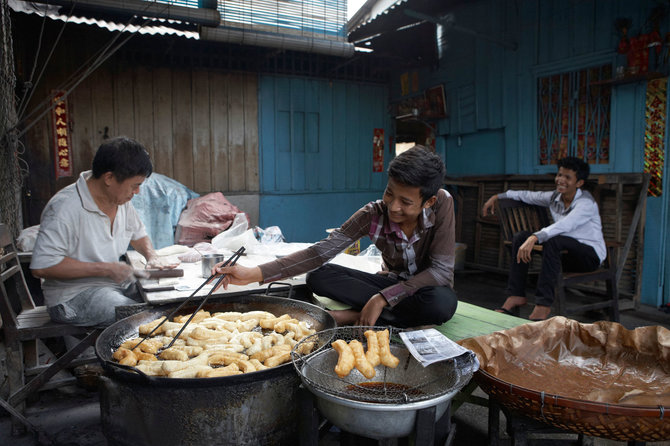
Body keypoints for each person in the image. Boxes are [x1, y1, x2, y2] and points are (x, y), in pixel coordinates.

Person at [211, 145, 458, 328]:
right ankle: (384, 316)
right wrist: (253, 273)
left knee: (442, 303)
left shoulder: (442, 203)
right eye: (389, 194)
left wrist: (382, 298)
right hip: (390, 283)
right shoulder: (373, 214)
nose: (393, 207)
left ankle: (355, 315)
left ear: (429, 201)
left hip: (424, 290)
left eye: (405, 202)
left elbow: (441, 271)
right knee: (319, 276)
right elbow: (320, 253)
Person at [30, 137, 175, 327]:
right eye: (134, 185)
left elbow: (138, 234)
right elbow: (42, 266)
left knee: (170, 302)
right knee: (144, 320)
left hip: (113, 286)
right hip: (71, 298)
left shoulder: (120, 200)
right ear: (109, 178)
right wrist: (106, 268)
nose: (137, 192)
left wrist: (152, 256)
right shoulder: (64, 208)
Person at [481, 156, 606, 321]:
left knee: (553, 239)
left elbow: (565, 226)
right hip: (563, 253)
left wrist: (535, 237)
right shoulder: (555, 198)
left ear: (579, 183)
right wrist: (498, 196)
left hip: (589, 256)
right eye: (559, 175)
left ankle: (543, 305)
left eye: (567, 177)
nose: (560, 180)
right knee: (520, 237)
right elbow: (528, 195)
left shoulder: (586, 203)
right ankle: (516, 294)